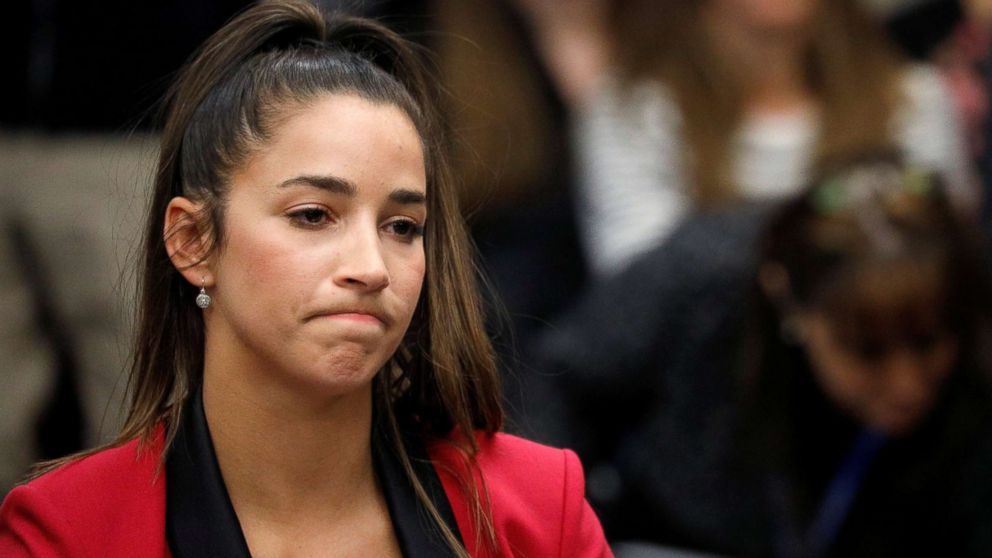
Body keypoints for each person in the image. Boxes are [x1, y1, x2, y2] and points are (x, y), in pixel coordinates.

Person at [0, 2, 612, 556]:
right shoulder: (68, 530)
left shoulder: (534, 510)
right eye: (313, 215)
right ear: (192, 242)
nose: (371, 267)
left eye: (402, 226)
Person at [540, 156, 992, 556]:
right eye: (868, 352)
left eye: (928, 343)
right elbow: (554, 381)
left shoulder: (973, 359)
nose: (907, 384)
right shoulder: (705, 277)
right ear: (790, 300)